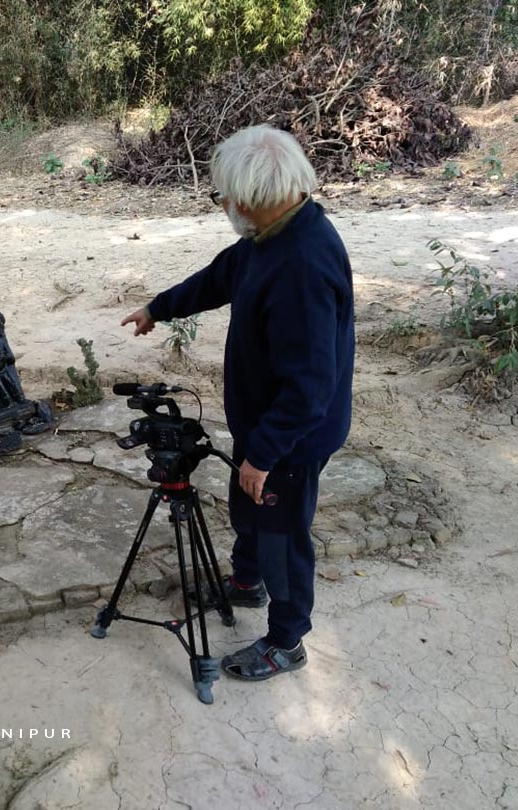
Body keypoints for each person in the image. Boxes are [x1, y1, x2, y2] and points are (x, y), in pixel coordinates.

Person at [121, 124, 355, 681]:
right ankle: (245, 585)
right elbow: (219, 276)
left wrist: (265, 454)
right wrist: (160, 307)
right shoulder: (270, 236)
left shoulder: (302, 267)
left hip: (292, 437)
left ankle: (287, 640)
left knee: (282, 534)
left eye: (222, 197)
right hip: (265, 424)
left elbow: (309, 389)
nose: (223, 206)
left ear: (248, 201)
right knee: (247, 506)